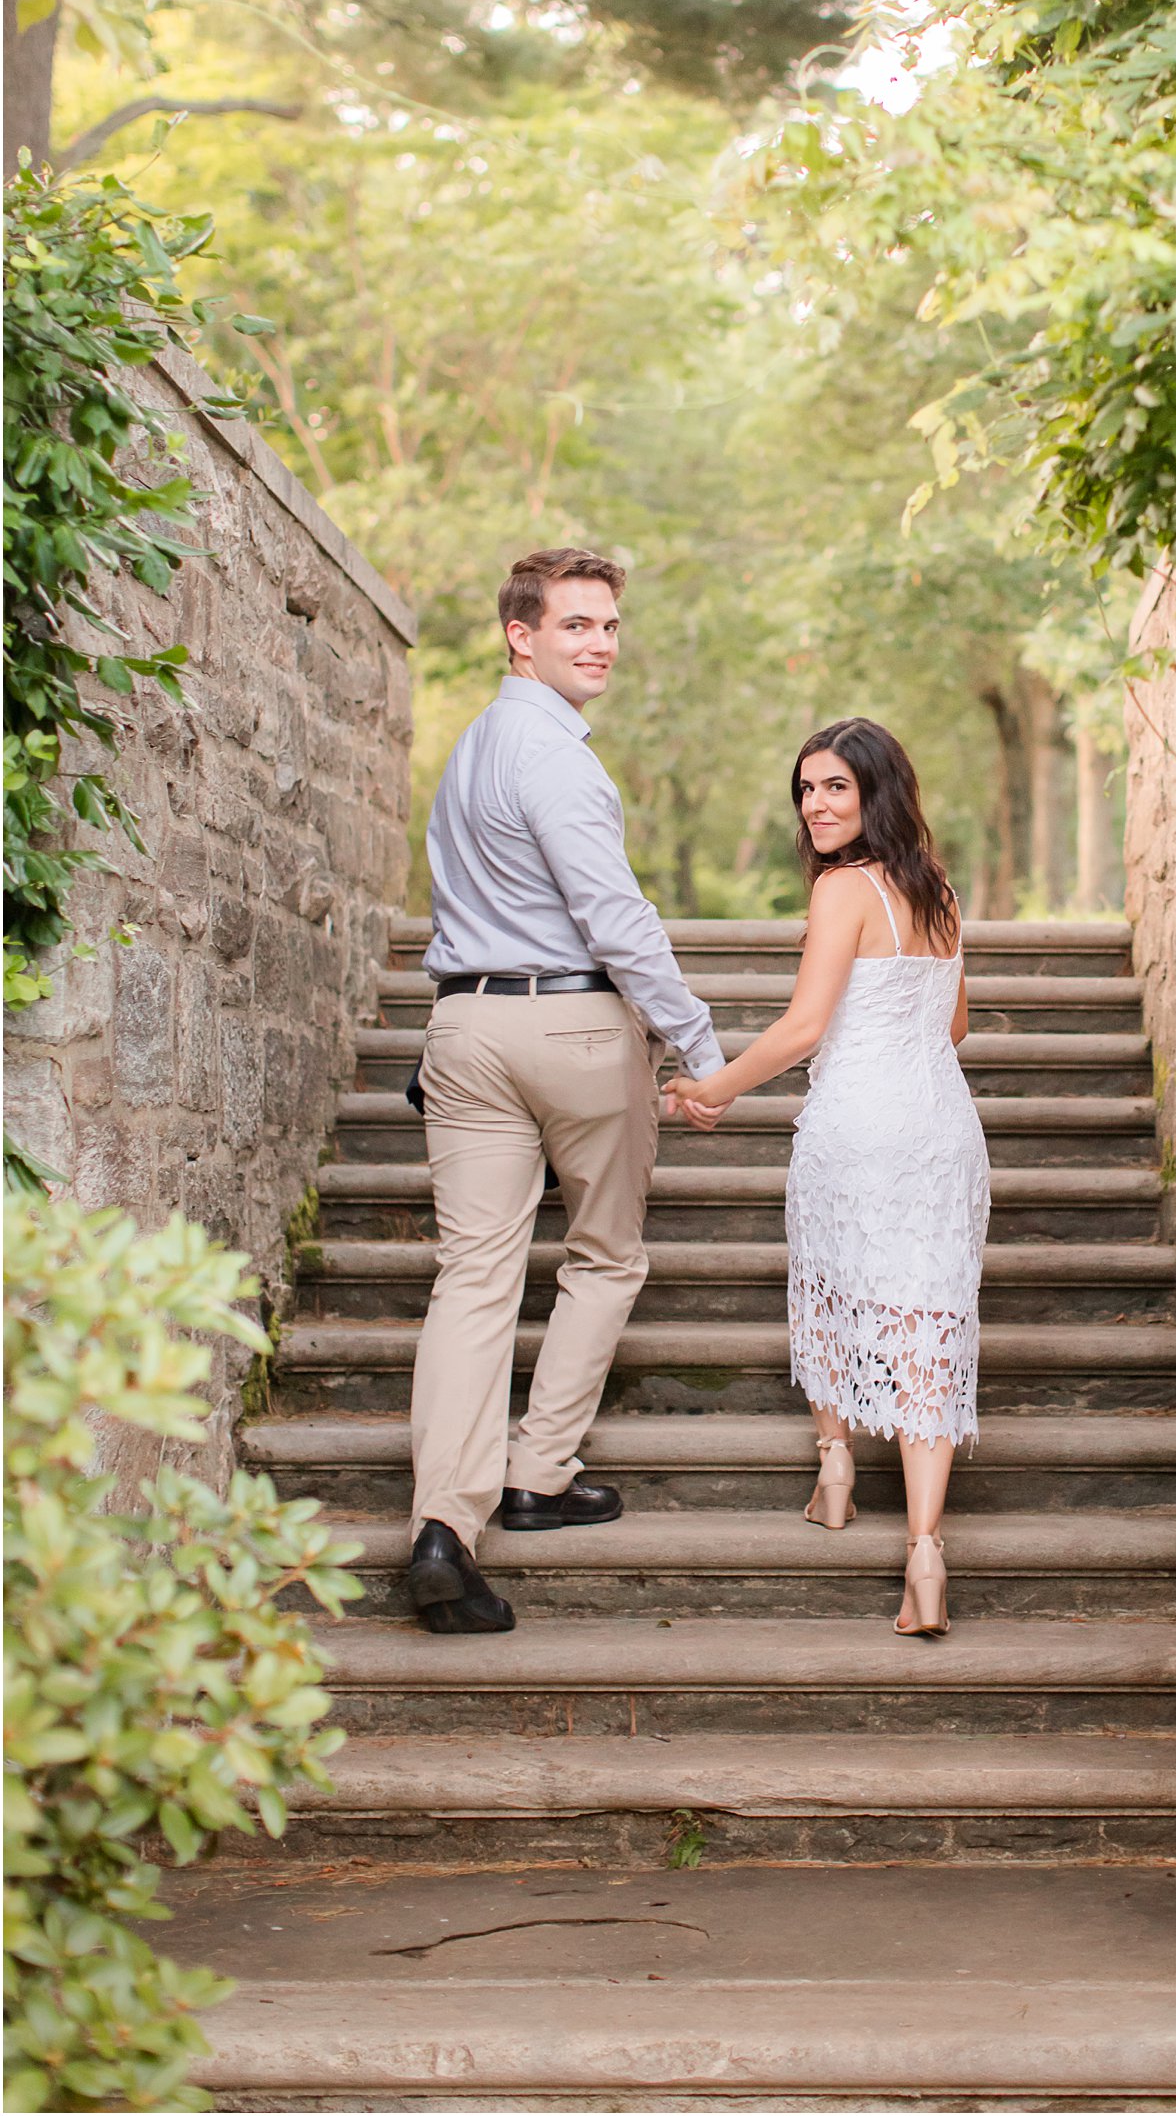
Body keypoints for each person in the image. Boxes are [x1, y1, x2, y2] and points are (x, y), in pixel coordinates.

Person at [408, 546, 727, 1634]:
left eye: (607, 626)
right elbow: (616, 918)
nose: (598, 644)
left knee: (474, 1280)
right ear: (520, 635)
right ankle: (537, 1474)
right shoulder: (559, 761)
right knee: (603, 1252)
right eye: (575, 624)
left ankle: (443, 1527)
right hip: (574, 1024)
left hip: (463, 1023)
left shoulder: (468, 752)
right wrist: (697, 1043)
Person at [665, 718, 990, 1636]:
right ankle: (924, 1554)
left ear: (875, 791)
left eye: (836, 787)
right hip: (942, 1125)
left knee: (828, 1282)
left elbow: (806, 1027)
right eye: (806, 789)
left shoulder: (843, 890)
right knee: (930, 1316)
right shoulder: (942, 894)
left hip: (857, 1121)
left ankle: (835, 1471)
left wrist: (716, 1090)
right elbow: (953, 1028)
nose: (815, 804)